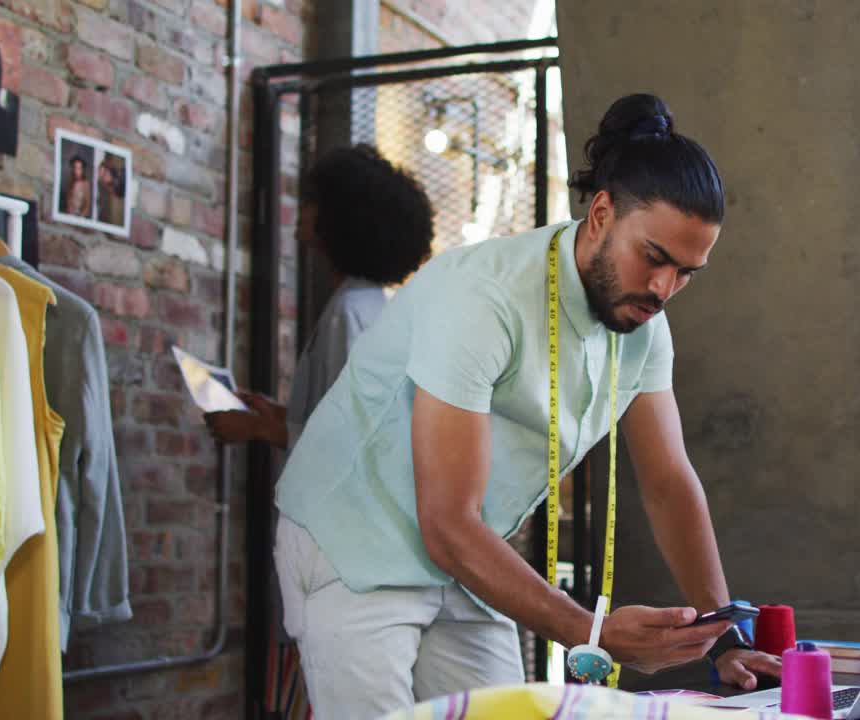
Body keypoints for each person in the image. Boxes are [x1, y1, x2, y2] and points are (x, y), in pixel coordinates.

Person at [272, 93, 781, 719]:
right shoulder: (483, 297)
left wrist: (722, 636)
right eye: (653, 257)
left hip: (463, 560)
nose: (663, 289)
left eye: (686, 273)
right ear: (600, 213)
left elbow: (670, 480)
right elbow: (447, 522)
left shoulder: (645, 326)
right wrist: (590, 632)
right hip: (353, 540)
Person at [204, 143, 434, 452]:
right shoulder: (366, 305)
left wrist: (257, 427)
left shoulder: (350, 312)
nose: (302, 209)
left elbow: (354, 443)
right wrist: (280, 416)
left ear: (343, 217)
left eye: (314, 201)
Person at [96, 159, 125, 227]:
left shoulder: (122, 173)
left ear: (109, 168)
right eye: (102, 176)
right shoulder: (114, 190)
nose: (105, 176)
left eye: (105, 171)